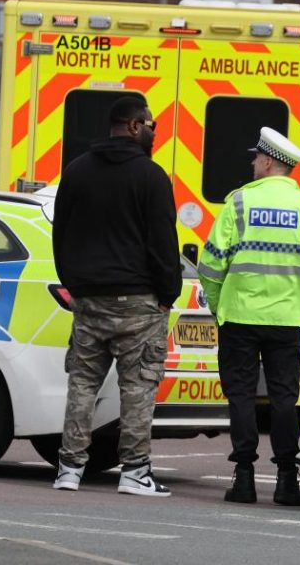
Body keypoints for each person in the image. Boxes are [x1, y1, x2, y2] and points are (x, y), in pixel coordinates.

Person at [51, 95, 181, 497]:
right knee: (138, 386)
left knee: (83, 384)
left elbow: (61, 235)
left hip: (89, 300)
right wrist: (167, 295)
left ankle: (69, 469)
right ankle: (135, 472)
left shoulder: (76, 172)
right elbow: (163, 243)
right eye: (152, 124)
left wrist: (76, 285)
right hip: (139, 301)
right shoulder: (152, 178)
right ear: (134, 125)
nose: (156, 132)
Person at [199, 127, 300, 507]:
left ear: (269, 161)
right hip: (288, 320)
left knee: (240, 396)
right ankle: (287, 482)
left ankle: (243, 479)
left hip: (239, 317)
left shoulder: (238, 204)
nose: (253, 163)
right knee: (285, 399)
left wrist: (218, 305)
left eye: (256, 158)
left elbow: (210, 265)